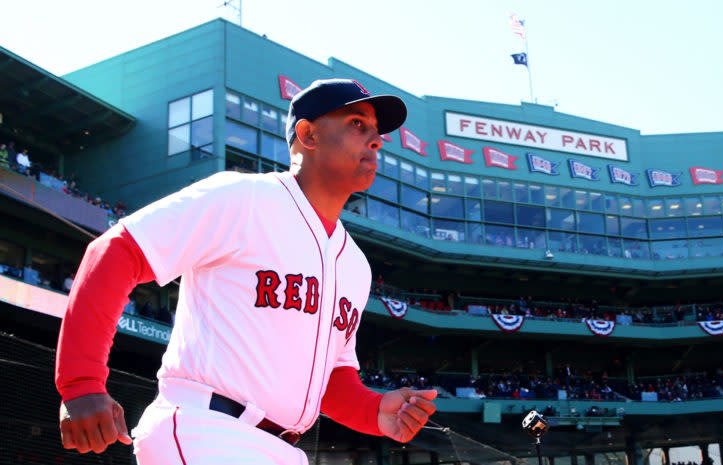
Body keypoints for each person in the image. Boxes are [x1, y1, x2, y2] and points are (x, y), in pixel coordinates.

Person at [55, 79, 437, 464]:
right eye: (357, 123)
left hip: (283, 450)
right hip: (206, 429)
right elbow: (116, 251)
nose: (376, 140)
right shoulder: (244, 198)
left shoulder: (355, 265)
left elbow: (332, 378)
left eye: (377, 132)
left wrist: (374, 411)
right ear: (308, 134)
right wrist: (82, 384)